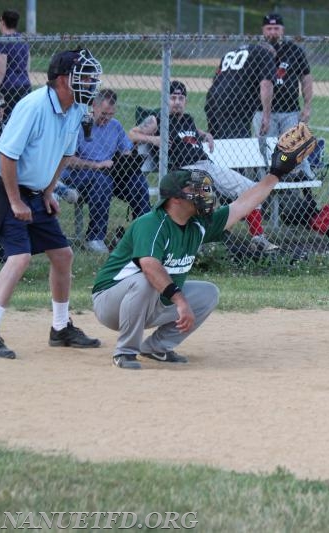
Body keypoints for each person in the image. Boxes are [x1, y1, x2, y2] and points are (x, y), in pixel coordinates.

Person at [91, 128, 311, 369]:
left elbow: (242, 205)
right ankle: (125, 351)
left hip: (152, 300)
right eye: (195, 190)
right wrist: (180, 301)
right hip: (111, 301)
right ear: (175, 199)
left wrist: (276, 174)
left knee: (208, 293)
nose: (204, 194)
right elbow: (150, 266)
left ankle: (157, 347)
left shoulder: (199, 224)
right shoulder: (152, 223)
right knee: (146, 280)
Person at [0, 48, 103, 359]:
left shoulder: (74, 108)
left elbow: (65, 154)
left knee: (62, 255)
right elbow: (6, 155)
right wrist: (15, 200)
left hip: (33, 191)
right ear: (61, 80)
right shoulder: (33, 107)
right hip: (5, 187)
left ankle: (60, 328)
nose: (90, 81)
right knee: (19, 258)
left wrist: (47, 192)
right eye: (82, 76)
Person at [130, 81, 278, 251]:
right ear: (165, 100)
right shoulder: (157, 119)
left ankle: (258, 238)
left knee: (251, 188)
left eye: (181, 98)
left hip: (207, 165)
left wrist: (205, 134)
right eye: (173, 98)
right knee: (206, 193)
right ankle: (205, 241)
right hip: (184, 170)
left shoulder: (187, 119)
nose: (177, 102)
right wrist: (154, 139)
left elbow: (191, 132)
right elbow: (132, 134)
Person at [60, 89, 151, 253]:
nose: (107, 118)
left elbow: (126, 150)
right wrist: (96, 165)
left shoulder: (115, 126)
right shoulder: (79, 124)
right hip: (78, 174)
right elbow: (68, 160)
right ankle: (95, 238)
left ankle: (143, 233)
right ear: (93, 106)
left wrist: (128, 162)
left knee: (138, 181)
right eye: (103, 114)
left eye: (111, 114)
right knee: (103, 180)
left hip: (108, 173)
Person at [252, 13, 315, 179]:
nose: (273, 32)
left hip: (290, 110)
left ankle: (303, 181)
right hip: (262, 111)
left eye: (276, 28)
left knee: (295, 148)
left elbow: (306, 78)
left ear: (283, 30)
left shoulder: (294, 50)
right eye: (269, 28)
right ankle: (264, 185)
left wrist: (307, 106)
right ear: (263, 30)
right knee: (264, 150)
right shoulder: (255, 51)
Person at [205, 38, 276, 140]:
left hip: (212, 99)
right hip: (236, 102)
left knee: (217, 140)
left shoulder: (232, 52)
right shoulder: (265, 53)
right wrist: (266, 116)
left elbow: (216, 79)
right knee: (237, 141)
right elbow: (266, 84)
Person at [0, 10, 31, 118]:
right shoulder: (22, 39)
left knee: (7, 122)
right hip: (25, 85)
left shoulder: (3, 41)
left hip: (9, 88)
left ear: (2, 22)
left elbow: (0, 71)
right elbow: (27, 64)